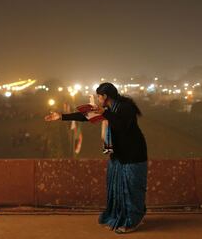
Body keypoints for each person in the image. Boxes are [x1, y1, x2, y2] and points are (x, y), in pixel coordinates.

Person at [45, 82, 148, 234]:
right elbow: (86, 116)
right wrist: (61, 116)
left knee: (131, 190)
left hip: (133, 154)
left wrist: (104, 113)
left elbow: (121, 125)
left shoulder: (125, 107)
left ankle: (132, 221)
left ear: (105, 97)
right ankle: (118, 217)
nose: (99, 100)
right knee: (117, 189)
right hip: (118, 154)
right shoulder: (108, 109)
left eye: (100, 97)